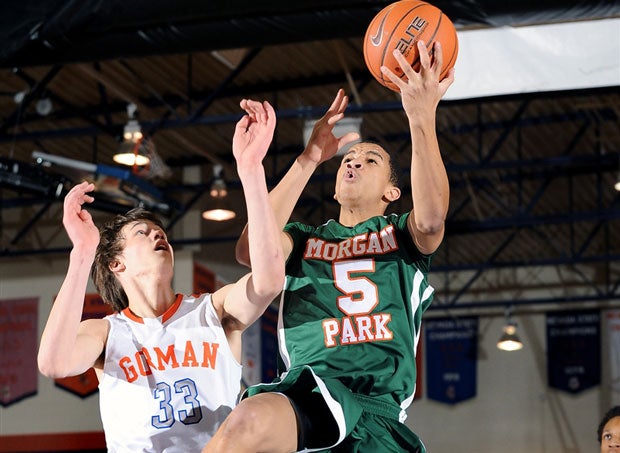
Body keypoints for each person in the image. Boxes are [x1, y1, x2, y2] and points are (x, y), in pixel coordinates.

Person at [205, 40, 453, 453]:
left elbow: (431, 218)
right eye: (347, 160)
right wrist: (308, 159)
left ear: (393, 192)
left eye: (370, 159)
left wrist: (420, 115)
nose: (353, 162)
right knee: (243, 424)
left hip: (377, 411)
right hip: (309, 397)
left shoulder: (402, 236)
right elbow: (251, 249)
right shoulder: (303, 239)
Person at [37, 98, 285, 452]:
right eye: (142, 232)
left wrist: (250, 169)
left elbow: (268, 280)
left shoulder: (213, 311)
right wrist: (81, 255)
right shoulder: (106, 332)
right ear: (115, 264)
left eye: (161, 233)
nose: (159, 235)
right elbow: (53, 363)